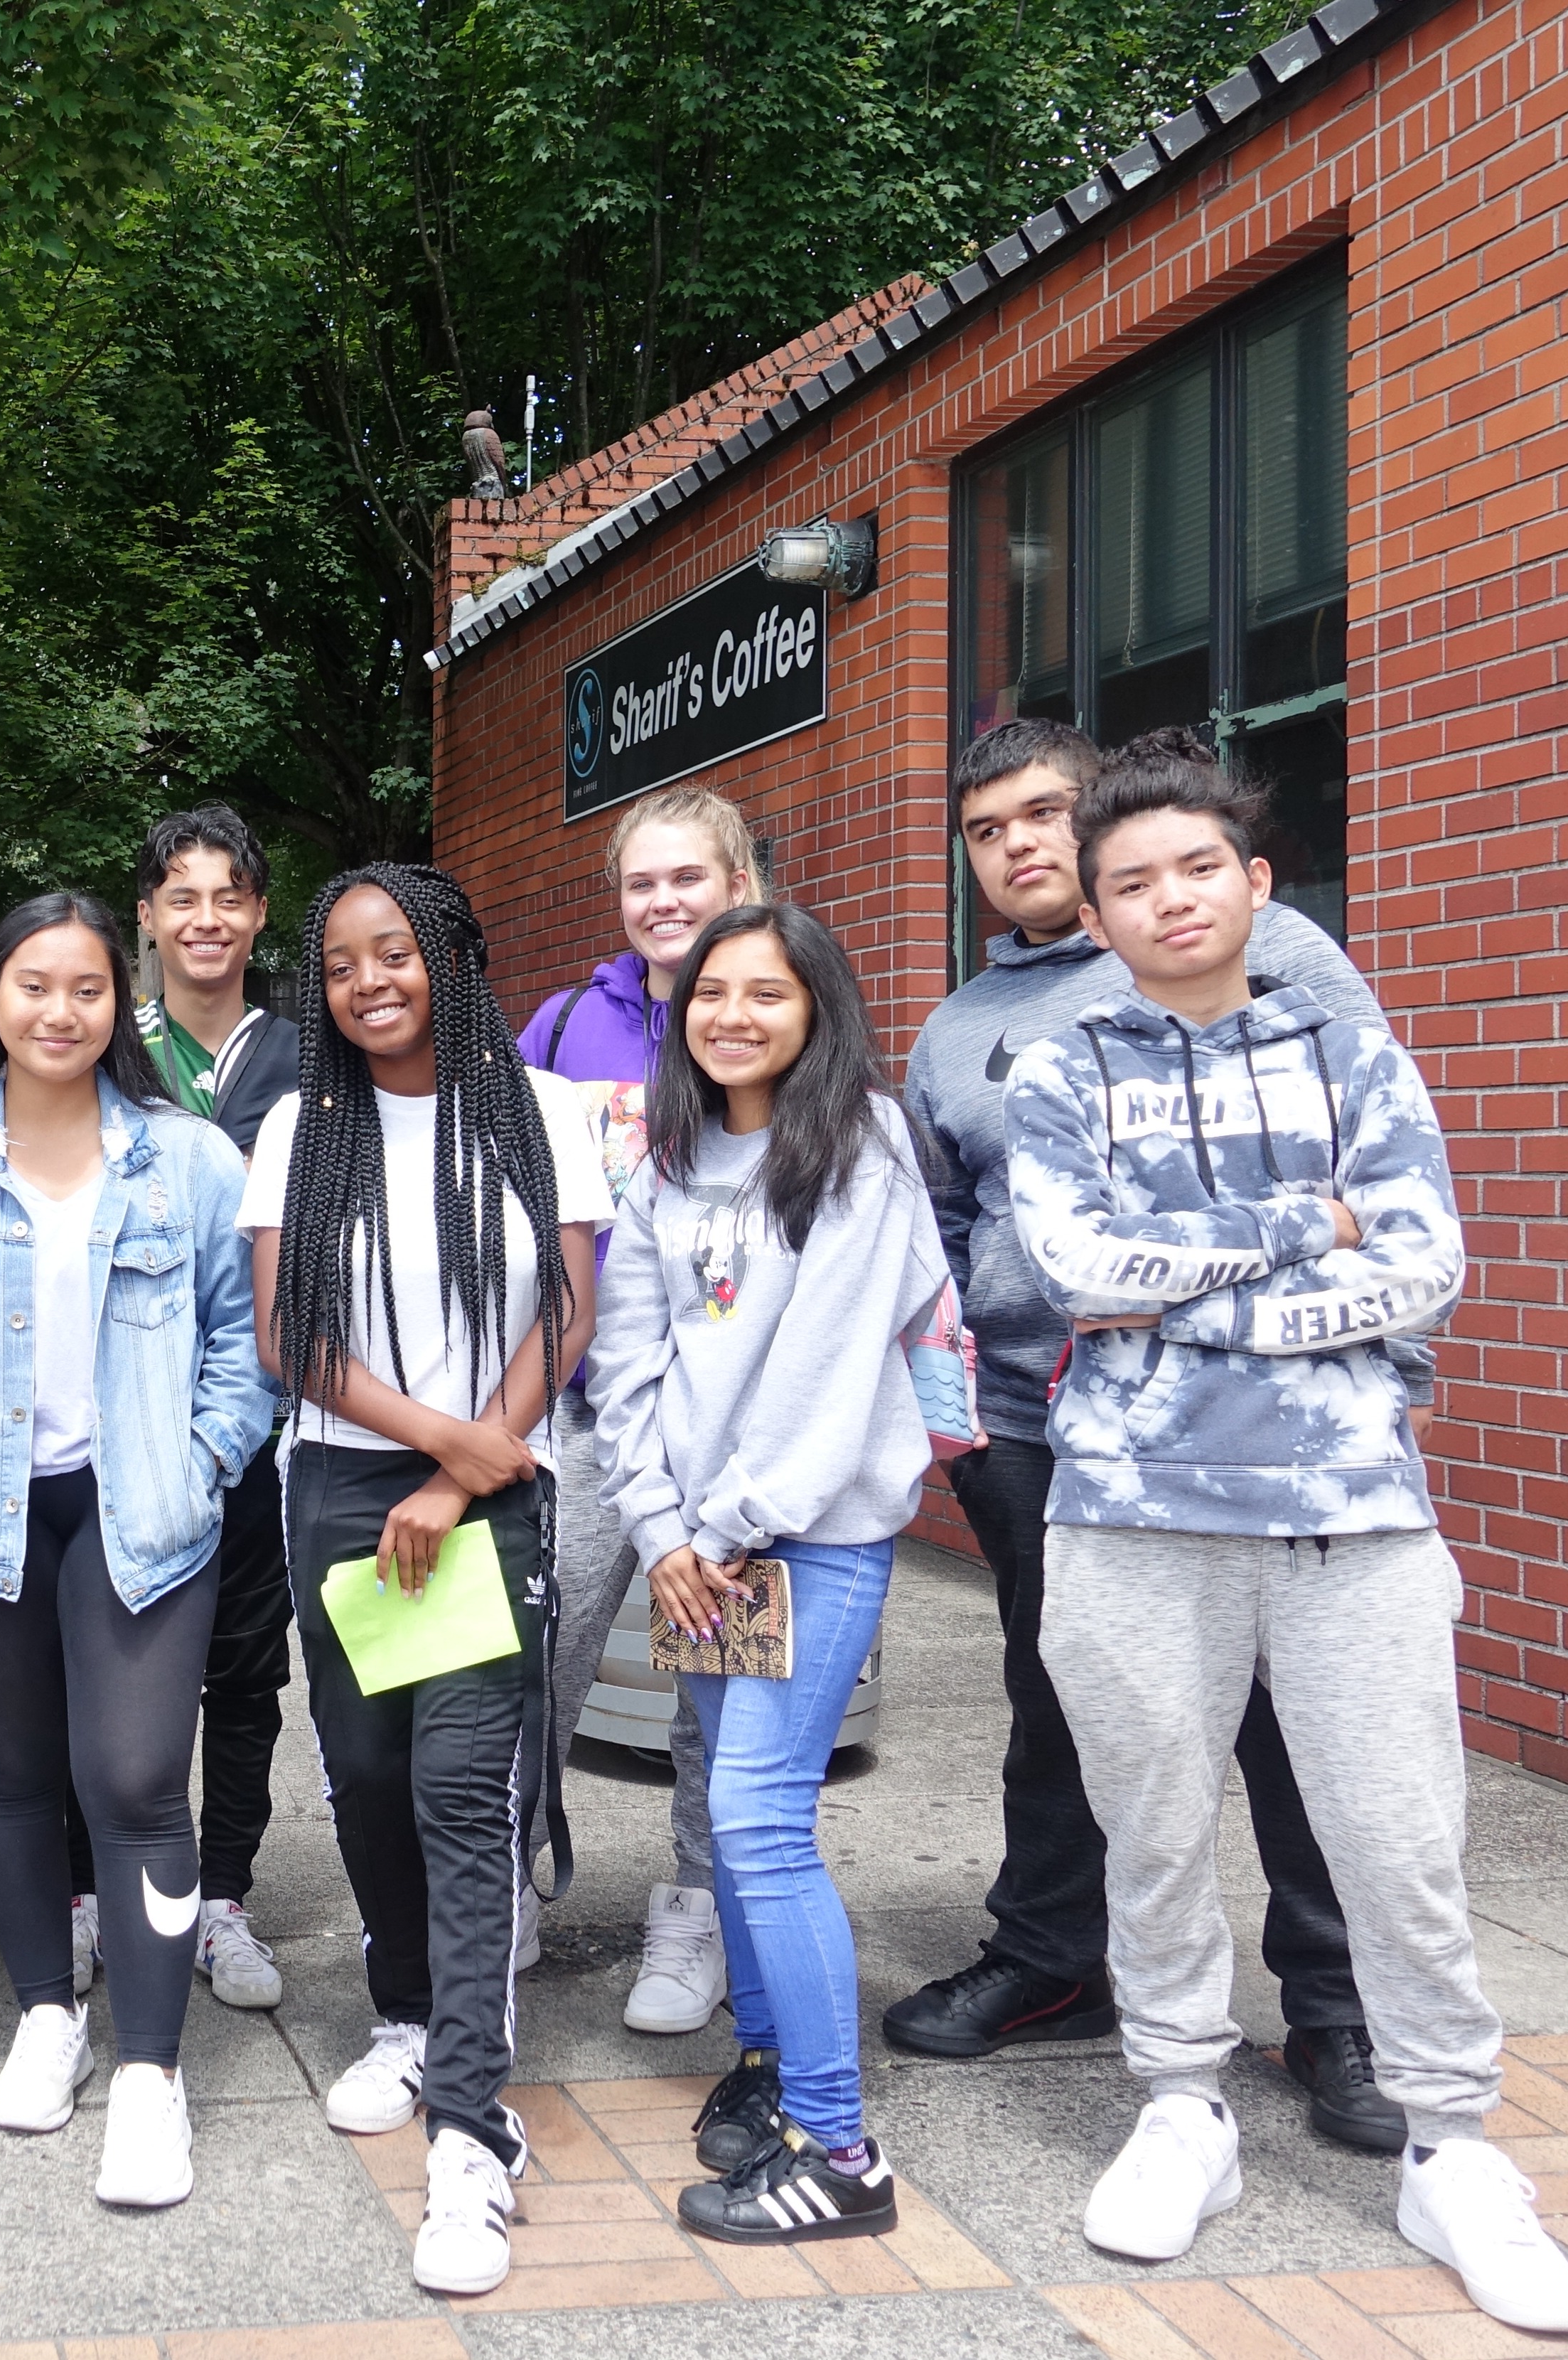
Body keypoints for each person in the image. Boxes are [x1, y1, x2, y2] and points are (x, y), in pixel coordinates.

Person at [1007, 743, 1568, 2334]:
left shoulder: (1355, 1058)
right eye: (1130, 883)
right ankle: (1180, 2104)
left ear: (1254, 887)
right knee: (1154, 1829)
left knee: (1397, 1837)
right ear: (1100, 913)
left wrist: (1199, 1294)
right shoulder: (1062, 1072)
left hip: (1352, 1515)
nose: (1166, 898)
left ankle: (1450, 2142)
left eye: (1195, 868)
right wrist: (1294, 1230)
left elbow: (1419, 1268)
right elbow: (1077, 1271)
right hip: (1128, 1516)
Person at [892, 719, 1409, 2155]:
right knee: (1063, 1705)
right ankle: (1055, 1955)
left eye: (1042, 814)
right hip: (1032, 1434)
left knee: (1281, 1718)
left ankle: (1332, 2004)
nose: (1018, 847)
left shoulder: (1269, 955)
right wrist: (965, 1439)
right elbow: (937, 1241)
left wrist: (1371, 1373)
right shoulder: (956, 1033)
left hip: (1249, 1421)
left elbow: (1379, 1176)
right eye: (987, 830)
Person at [0, 891, 268, 2206]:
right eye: (34, 985)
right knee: (16, 1776)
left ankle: (149, 2069)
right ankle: (45, 2015)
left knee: (135, 1778)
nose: (59, 1011)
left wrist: (205, 1459)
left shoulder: (188, 1161)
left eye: (86, 987)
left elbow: (243, 1340)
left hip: (139, 1504)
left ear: (114, 998)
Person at [241, 862, 606, 2297]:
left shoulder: (540, 1110)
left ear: (452, 953)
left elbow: (564, 1306)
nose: (369, 980)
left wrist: (464, 1471)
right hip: (342, 1484)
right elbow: (290, 1334)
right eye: (341, 963)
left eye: (394, 952)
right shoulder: (297, 1126)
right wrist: (427, 1442)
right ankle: (404, 2013)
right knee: (373, 1772)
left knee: (463, 1788)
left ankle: (470, 2118)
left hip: (494, 1490)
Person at [586, 903, 942, 2246]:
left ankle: (839, 2148)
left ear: (818, 1011)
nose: (732, 1014)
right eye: (710, 993)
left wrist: (722, 1527)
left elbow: (833, 1368)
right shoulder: (668, 1163)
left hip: (807, 1543)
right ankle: (771, 2063)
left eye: (767, 994)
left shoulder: (858, 1147)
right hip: (696, 1553)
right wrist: (660, 1528)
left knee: (757, 1820)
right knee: (737, 1829)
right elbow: (624, 1359)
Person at [514, 784, 756, 2037]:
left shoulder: (780, 1009)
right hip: (587, 1419)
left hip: (735, 1432)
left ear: (737, 884)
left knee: (720, 1684)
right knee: (532, 1661)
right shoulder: (564, 1025)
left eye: (688, 880)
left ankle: (701, 1908)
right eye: (641, 883)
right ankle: (499, 1883)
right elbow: (495, 1198)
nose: (663, 903)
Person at [68, 803, 297, 2014]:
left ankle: (222, 1899)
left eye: (228, 896)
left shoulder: (309, 1056)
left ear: (257, 913)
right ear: (146, 915)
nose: (204, 919)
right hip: (109, 1418)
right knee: (93, 1665)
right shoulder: (107, 1041)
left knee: (245, 1671)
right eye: (180, 898)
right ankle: (87, 1890)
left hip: (264, 1419)